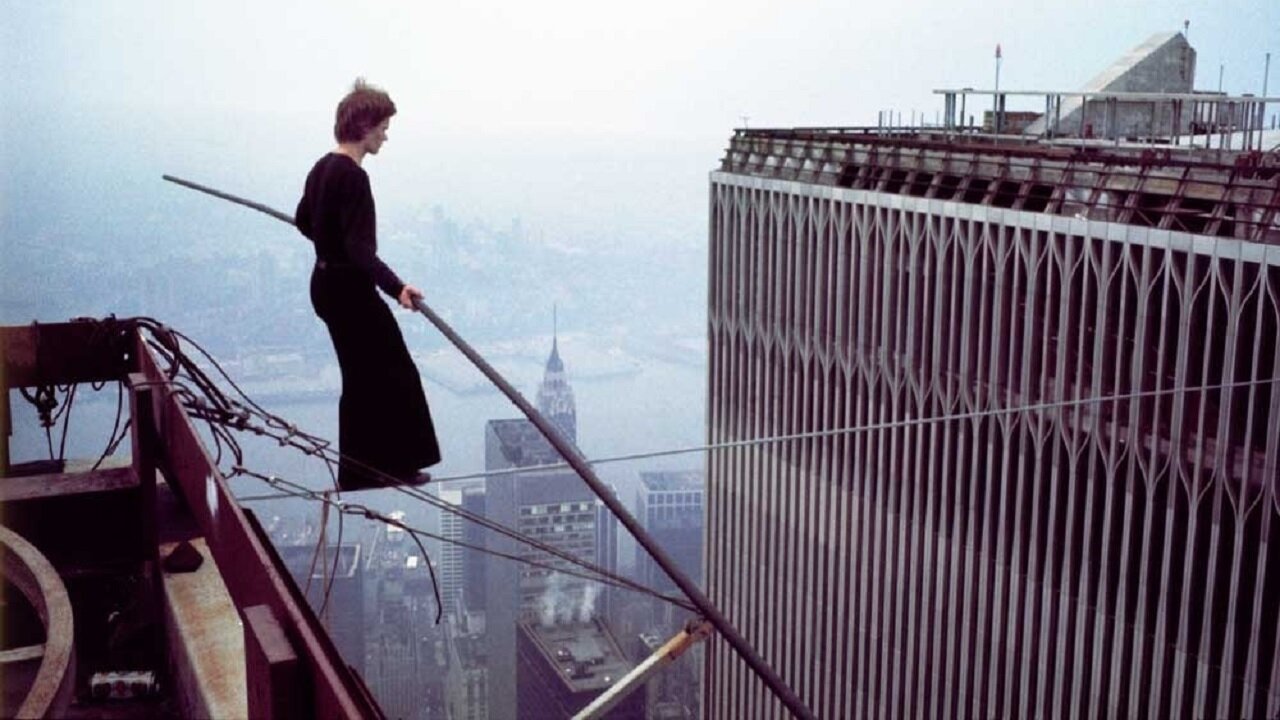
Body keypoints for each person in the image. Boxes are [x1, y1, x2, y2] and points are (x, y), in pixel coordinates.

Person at [295, 79, 441, 490]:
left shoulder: (321, 167)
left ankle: (361, 472)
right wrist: (398, 288)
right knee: (396, 373)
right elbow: (360, 251)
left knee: (360, 378)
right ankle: (395, 466)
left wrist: (330, 243)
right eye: (382, 127)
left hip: (323, 285)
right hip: (349, 291)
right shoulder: (354, 178)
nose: (385, 135)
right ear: (363, 126)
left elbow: (303, 219)